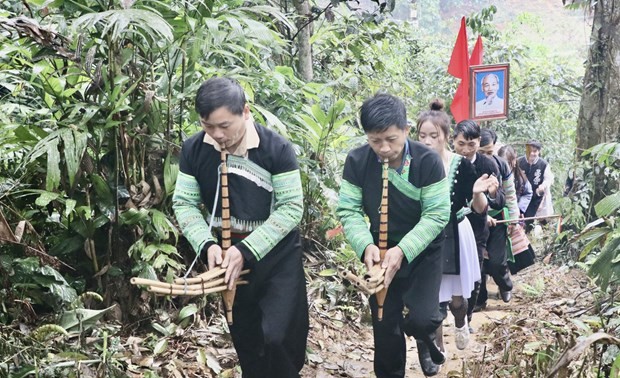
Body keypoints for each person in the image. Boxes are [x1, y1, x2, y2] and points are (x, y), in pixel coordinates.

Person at [172, 77, 309, 378]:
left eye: (225, 125)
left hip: (277, 258)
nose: (218, 135)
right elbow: (184, 203)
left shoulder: (276, 148)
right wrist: (207, 245)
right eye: (209, 126)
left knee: (277, 336)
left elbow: (291, 208)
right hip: (228, 261)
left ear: (245, 112)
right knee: (247, 340)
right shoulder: (194, 149)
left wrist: (246, 249)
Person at [336, 93, 450, 377]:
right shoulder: (357, 161)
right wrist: (365, 246)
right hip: (380, 253)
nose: (384, 148)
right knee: (385, 330)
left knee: (424, 319)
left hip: (423, 251)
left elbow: (436, 214)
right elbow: (349, 210)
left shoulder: (428, 161)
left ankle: (424, 337)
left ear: (406, 131)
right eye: (375, 141)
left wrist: (404, 250)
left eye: (391, 139)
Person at [416, 100, 498, 358]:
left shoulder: (461, 165)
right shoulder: (412, 164)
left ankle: (461, 322)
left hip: (456, 233)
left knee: (456, 298)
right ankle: (436, 349)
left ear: (445, 137)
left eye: (434, 135)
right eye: (422, 135)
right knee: (433, 296)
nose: (427, 141)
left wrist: (477, 193)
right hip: (424, 234)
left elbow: (478, 208)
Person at [451, 120, 505, 328]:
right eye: (461, 144)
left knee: (475, 274)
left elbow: (499, 199)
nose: (465, 150)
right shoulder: (446, 162)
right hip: (449, 225)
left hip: (476, 227)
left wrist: (491, 193)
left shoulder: (488, 165)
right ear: (453, 140)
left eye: (471, 145)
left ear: (478, 142)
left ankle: (467, 317)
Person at [477, 129, 518, 308]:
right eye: (482, 152)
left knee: (496, 261)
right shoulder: (467, 164)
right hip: (476, 220)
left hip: (498, 219)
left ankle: (505, 284)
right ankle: (479, 299)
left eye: (489, 152)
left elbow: (509, 193)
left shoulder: (502, 165)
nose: (486, 156)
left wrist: (514, 218)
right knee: (477, 262)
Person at [498, 145, 537, 274]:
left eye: (507, 163)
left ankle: (506, 279)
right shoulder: (495, 174)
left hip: (513, 218)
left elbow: (527, 193)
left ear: (513, 162)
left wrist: (519, 209)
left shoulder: (520, 178)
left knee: (514, 250)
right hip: (498, 217)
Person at [518, 140, 554, 231]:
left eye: (535, 151)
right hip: (522, 196)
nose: (532, 154)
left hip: (535, 196)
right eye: (530, 151)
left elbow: (548, 179)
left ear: (539, 151)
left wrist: (543, 185)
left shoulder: (543, 164)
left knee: (531, 220)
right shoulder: (519, 162)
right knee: (520, 218)